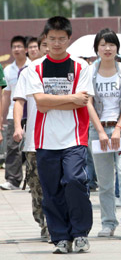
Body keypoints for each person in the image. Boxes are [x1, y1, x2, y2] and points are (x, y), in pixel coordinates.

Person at [26, 16, 93, 254]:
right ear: (45, 38)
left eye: (61, 39)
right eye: (52, 39)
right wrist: (71, 99)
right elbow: (41, 103)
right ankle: (60, 237)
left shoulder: (80, 66)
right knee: (51, 190)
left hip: (75, 137)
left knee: (75, 181)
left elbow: (82, 101)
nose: (56, 43)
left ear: (68, 39)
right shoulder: (34, 67)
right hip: (44, 139)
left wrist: (62, 101)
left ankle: (80, 233)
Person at [86, 28, 121, 238]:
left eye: (111, 44)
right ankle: (108, 222)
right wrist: (101, 131)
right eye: (103, 44)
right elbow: (88, 103)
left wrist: (118, 128)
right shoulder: (89, 71)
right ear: (97, 48)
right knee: (105, 180)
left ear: (117, 47)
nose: (107, 48)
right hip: (97, 130)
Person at [12, 42, 49, 240]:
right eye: (46, 43)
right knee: (36, 187)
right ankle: (43, 222)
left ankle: (55, 224)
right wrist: (18, 127)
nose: (49, 46)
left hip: (60, 141)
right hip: (34, 141)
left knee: (58, 185)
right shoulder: (29, 72)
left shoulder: (69, 69)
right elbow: (19, 101)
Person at [0, 35, 31, 191]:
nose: (17, 49)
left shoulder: (33, 66)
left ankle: (34, 179)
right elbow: (6, 95)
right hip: (14, 113)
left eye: (20, 46)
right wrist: (2, 117)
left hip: (32, 113)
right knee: (13, 147)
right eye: (14, 47)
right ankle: (13, 180)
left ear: (26, 49)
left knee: (33, 147)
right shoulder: (8, 70)